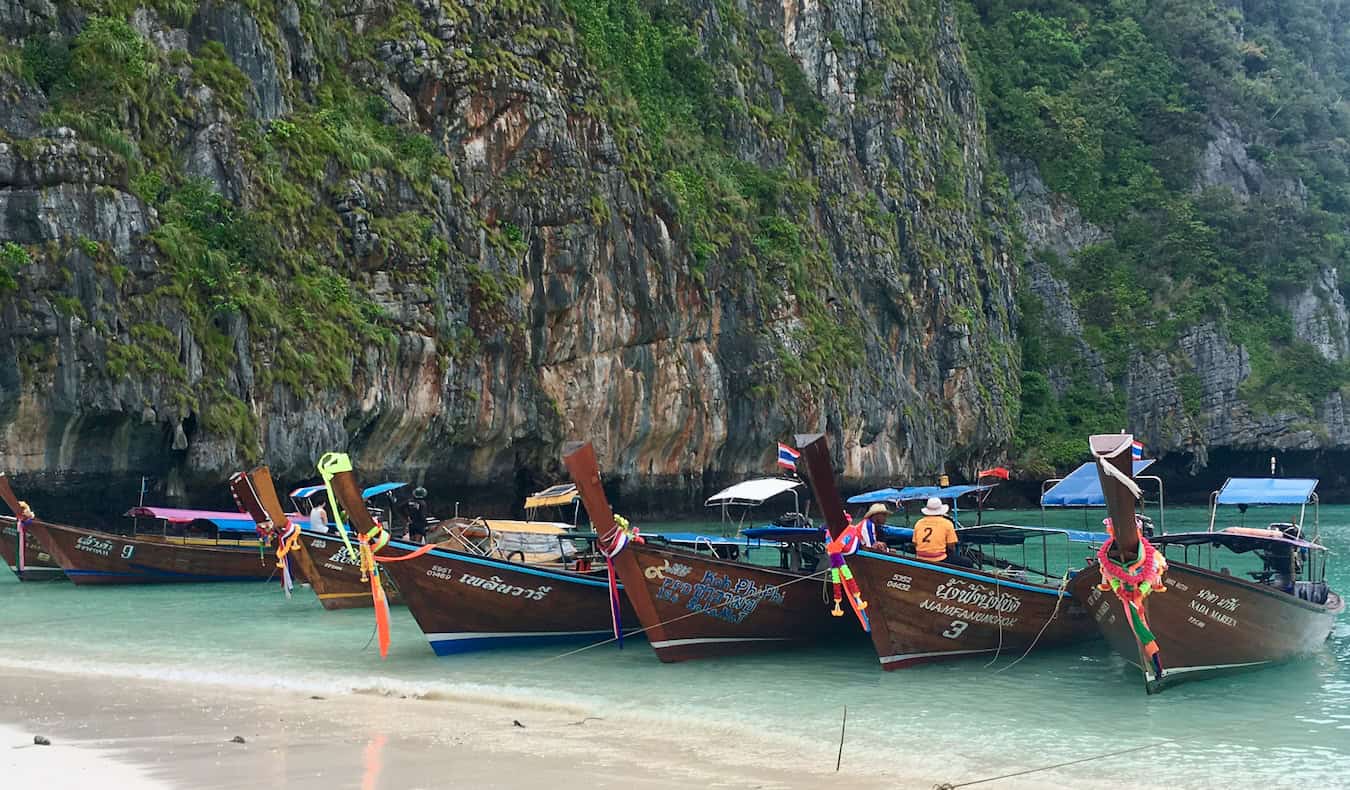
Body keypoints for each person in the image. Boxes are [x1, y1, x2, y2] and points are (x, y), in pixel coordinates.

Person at [913, 497, 970, 567]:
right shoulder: (947, 523)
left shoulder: (919, 523)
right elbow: (951, 545)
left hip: (920, 557)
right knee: (967, 562)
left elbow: (915, 543)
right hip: (939, 558)